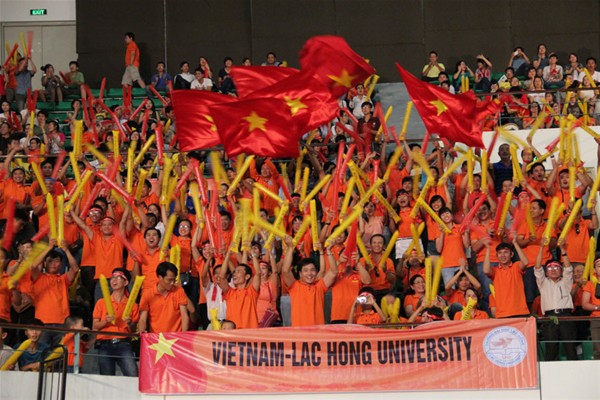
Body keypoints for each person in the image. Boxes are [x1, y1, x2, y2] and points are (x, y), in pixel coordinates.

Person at [31, 240, 80, 346]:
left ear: (61, 264)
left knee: (60, 353)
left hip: (62, 323)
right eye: (50, 261)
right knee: (43, 353)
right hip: (42, 323)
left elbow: (75, 269)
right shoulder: (39, 278)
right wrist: (48, 248)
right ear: (44, 263)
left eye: (57, 261)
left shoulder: (63, 279)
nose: (53, 264)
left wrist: (66, 250)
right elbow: (33, 266)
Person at [534, 242, 577, 361]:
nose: (553, 270)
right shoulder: (543, 282)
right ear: (546, 272)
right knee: (551, 347)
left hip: (565, 315)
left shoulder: (566, 281)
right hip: (549, 317)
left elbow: (568, 268)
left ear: (561, 270)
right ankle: (550, 370)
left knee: (570, 346)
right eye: (549, 268)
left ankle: (574, 369)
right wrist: (541, 247)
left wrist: (563, 249)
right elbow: (537, 267)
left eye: (556, 267)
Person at [281, 236, 338, 326]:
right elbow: (285, 271)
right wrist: (291, 248)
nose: (309, 273)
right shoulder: (295, 286)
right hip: (299, 332)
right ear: (300, 274)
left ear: (316, 272)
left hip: (317, 332)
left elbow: (334, 272)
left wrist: (329, 251)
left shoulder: (319, 286)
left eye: (312, 270)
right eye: (306, 270)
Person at [93, 268, 139, 376]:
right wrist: (105, 321)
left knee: (133, 375)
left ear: (126, 282)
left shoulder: (133, 305)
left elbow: (133, 329)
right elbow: (95, 326)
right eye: (112, 277)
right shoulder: (101, 302)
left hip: (124, 343)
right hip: (104, 343)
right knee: (106, 378)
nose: (114, 280)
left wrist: (130, 323)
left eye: (118, 277)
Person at [138, 262, 189, 333]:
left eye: (174, 280)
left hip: (176, 336)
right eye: (169, 280)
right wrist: (142, 330)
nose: (172, 283)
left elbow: (184, 316)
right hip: (157, 337)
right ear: (160, 277)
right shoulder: (148, 294)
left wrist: (183, 335)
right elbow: (143, 318)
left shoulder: (179, 291)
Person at [483, 240, 530, 318]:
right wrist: (488, 249)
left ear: (511, 254)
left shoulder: (516, 266)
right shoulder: (495, 271)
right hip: (502, 314)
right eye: (500, 253)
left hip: (520, 311)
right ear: (497, 255)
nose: (503, 255)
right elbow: (486, 270)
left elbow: (525, 262)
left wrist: (515, 243)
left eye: (506, 252)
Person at [217, 248, 260, 329]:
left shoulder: (251, 291)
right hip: (232, 333)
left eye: (238, 271)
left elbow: (258, 273)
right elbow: (221, 277)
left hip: (249, 333)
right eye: (234, 272)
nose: (234, 274)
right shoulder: (230, 293)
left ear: (247, 276)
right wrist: (227, 255)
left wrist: (253, 254)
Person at [581, 258, 600, 359]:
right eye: (599, 266)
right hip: (596, 319)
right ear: (594, 269)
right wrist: (598, 307)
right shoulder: (590, 283)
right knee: (598, 348)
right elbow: (584, 304)